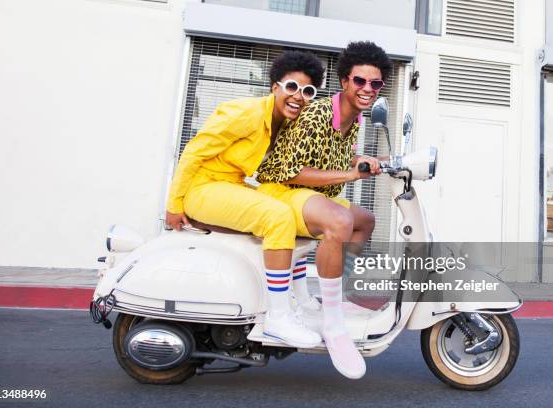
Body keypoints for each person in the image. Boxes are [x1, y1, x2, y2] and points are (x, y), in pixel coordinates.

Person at [165, 51, 325, 348]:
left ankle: (299, 298)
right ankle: (278, 317)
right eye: (291, 86)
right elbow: (194, 153)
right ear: (275, 87)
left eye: (307, 91)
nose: (298, 96)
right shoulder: (246, 112)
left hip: (231, 185)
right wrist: (174, 205)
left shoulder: (288, 125)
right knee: (277, 216)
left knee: (295, 209)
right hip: (204, 188)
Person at [256, 41, 392, 379]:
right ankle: (333, 325)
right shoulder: (317, 113)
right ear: (345, 81)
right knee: (340, 220)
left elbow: (342, 156)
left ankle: (336, 295)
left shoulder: (355, 118)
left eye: (375, 84)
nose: (367, 89)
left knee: (365, 222)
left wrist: (370, 161)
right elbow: (292, 170)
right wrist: (351, 172)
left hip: (316, 195)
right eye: (360, 81)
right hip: (284, 190)